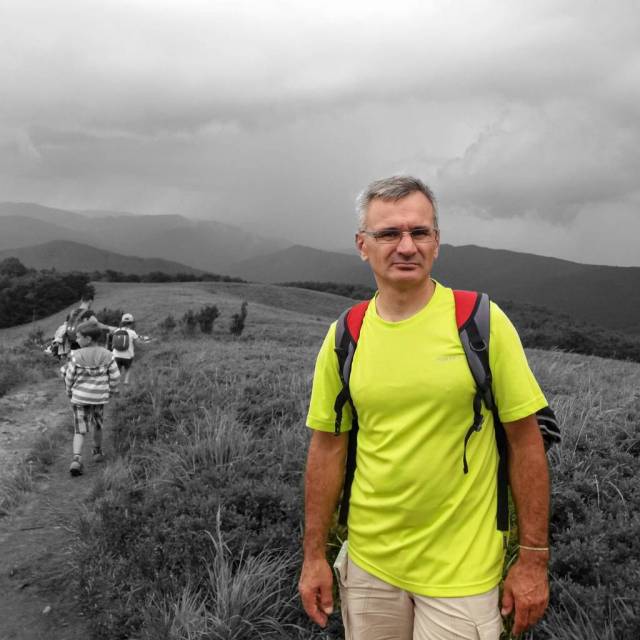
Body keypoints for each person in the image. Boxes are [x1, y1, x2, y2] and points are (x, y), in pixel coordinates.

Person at [298, 176, 550, 639]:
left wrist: (533, 559)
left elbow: (525, 441)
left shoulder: (481, 323)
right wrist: (314, 555)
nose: (406, 246)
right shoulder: (345, 335)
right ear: (362, 245)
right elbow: (328, 448)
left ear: (437, 242)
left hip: (462, 574)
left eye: (420, 232)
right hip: (369, 565)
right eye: (388, 233)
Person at [64, 319, 120, 476]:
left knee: (79, 430)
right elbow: (115, 377)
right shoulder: (108, 355)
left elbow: (69, 377)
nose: (76, 340)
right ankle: (97, 451)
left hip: (79, 399)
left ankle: (76, 459)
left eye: (78, 337)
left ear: (88, 339)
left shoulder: (76, 355)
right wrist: (111, 391)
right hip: (98, 399)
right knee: (97, 425)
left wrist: (69, 391)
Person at [111, 313, 141, 385]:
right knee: (128, 369)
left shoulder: (116, 331)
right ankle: (126, 381)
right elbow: (137, 343)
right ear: (131, 323)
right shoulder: (132, 332)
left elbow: (113, 343)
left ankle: (117, 382)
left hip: (116, 355)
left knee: (118, 370)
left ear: (122, 322)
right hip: (128, 356)